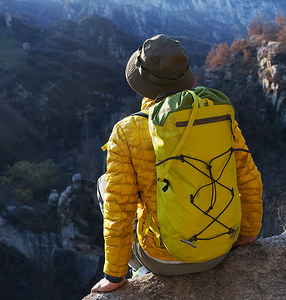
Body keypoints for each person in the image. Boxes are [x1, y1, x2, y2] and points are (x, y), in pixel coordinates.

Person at [91, 35, 263, 293]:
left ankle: (138, 269)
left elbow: (119, 207)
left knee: (106, 185)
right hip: (220, 247)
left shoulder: (127, 131)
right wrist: (248, 234)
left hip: (163, 259)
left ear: (142, 83)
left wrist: (113, 276)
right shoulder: (216, 113)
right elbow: (248, 176)